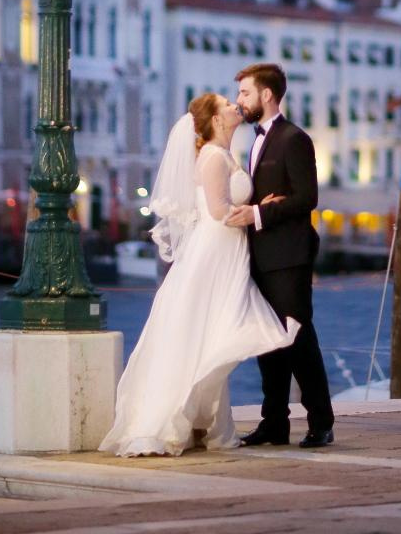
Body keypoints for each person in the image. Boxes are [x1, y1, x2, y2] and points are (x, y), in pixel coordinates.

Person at [99, 93, 298, 457]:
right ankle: (171, 416)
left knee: (210, 329)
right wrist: (259, 209)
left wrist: (256, 209)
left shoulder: (223, 153)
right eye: (226, 103)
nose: (234, 105)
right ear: (215, 119)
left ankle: (202, 417)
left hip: (227, 248)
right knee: (207, 326)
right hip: (216, 249)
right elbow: (220, 210)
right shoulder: (211, 157)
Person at [226, 63, 335, 448]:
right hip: (257, 255)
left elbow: (308, 198)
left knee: (297, 338)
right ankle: (274, 423)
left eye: (245, 93)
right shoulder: (252, 140)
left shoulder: (294, 139)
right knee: (267, 342)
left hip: (289, 256)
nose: (239, 100)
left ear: (266, 95)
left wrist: (258, 212)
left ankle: (321, 422)